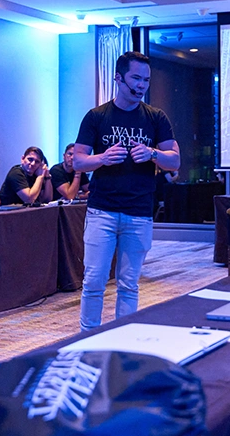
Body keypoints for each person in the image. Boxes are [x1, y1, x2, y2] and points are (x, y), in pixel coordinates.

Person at [73, 51, 179, 331]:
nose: (142, 85)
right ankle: (87, 339)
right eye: (136, 78)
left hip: (139, 212)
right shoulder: (97, 116)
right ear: (118, 78)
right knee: (94, 281)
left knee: (129, 284)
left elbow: (175, 160)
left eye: (146, 80)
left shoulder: (156, 118)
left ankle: (123, 339)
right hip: (102, 212)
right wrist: (103, 158)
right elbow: (78, 161)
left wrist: (153, 153)